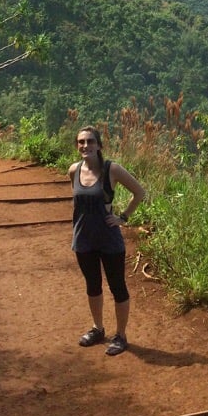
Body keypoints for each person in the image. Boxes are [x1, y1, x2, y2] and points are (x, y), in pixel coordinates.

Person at [68, 126, 145, 356]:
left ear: (99, 145)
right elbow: (77, 202)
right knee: (92, 286)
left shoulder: (112, 169)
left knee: (117, 287)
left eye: (90, 142)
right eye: (81, 142)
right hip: (83, 238)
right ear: (77, 146)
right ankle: (98, 328)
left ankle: (120, 335)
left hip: (109, 239)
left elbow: (139, 192)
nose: (85, 146)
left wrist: (122, 218)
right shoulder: (74, 170)